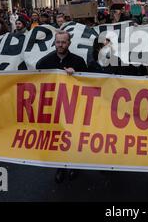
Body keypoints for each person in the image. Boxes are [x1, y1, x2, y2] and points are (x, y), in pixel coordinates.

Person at [36, 31, 88, 183]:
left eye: (63, 42)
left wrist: (77, 74)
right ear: (54, 43)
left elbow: (89, 83)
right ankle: (60, 167)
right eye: (58, 42)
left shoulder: (78, 61)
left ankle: (74, 165)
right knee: (58, 139)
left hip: (74, 107)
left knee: (73, 137)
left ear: (69, 43)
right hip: (55, 108)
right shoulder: (44, 62)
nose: (60, 45)